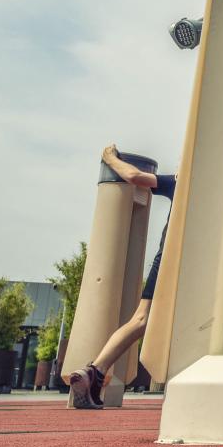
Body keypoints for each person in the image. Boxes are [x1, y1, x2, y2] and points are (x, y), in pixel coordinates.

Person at [68, 145, 176, 410]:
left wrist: (109, 158)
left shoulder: (181, 181)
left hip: (170, 257)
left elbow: (135, 177)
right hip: (200, 263)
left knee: (141, 319)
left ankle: (96, 369)